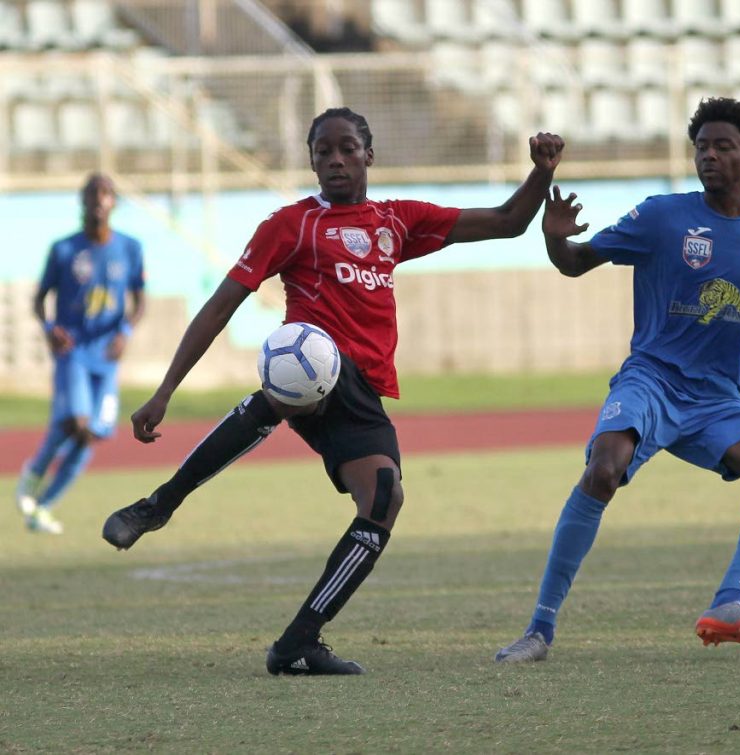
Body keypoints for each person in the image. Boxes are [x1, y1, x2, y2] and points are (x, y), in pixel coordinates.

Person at [101, 107, 565, 676]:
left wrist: (542, 173)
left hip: (361, 394)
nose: (336, 160)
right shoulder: (289, 224)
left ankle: (298, 642)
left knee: (386, 497)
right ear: (312, 161)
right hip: (314, 368)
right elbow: (223, 303)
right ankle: (159, 504)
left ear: (369, 154)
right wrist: (164, 391)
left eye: (348, 148)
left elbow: (507, 221)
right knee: (306, 356)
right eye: (324, 152)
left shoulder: (397, 221)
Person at [494, 97, 740, 663]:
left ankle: (729, 603)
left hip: (720, 398)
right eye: (701, 146)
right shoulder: (662, 217)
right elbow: (576, 262)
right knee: (603, 470)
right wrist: (556, 238)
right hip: (651, 382)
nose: (708, 155)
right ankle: (539, 631)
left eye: (723, 146)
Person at [15, 173, 146, 535]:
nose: (98, 201)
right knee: (78, 421)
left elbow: (140, 300)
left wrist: (125, 332)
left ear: (114, 203)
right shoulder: (65, 250)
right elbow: (40, 300)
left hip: (106, 355)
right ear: (82, 201)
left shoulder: (130, 248)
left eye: (105, 194)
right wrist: (48, 328)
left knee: (92, 435)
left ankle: (42, 507)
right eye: (92, 194)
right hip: (73, 350)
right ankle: (33, 474)